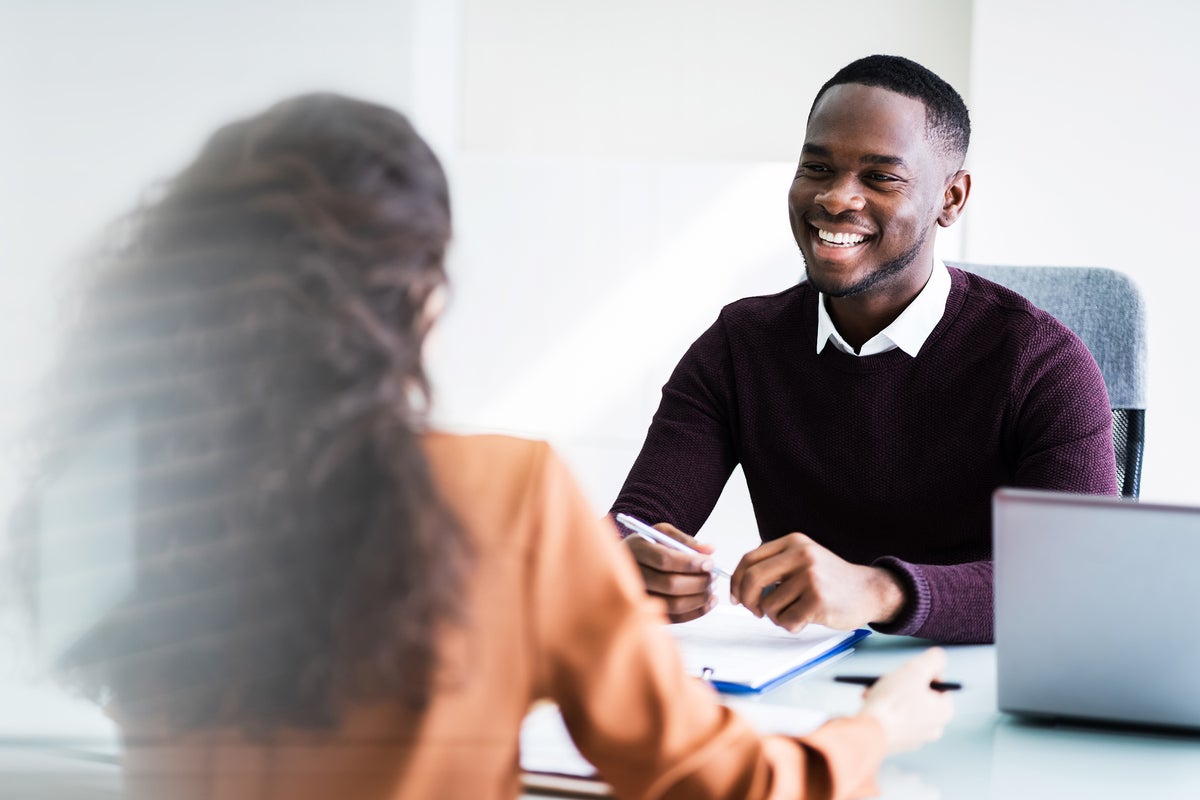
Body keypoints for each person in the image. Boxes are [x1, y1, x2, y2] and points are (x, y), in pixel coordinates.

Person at [7, 92, 952, 799]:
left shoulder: (117, 483)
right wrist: (870, 733)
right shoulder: (501, 494)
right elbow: (705, 779)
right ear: (417, 296)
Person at [611, 54, 1118, 644]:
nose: (834, 198)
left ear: (951, 198)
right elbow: (638, 523)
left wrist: (878, 591)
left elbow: (1077, 579)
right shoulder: (739, 346)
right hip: (801, 686)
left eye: (880, 177)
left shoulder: (1042, 362)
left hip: (988, 685)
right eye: (817, 167)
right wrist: (630, 566)